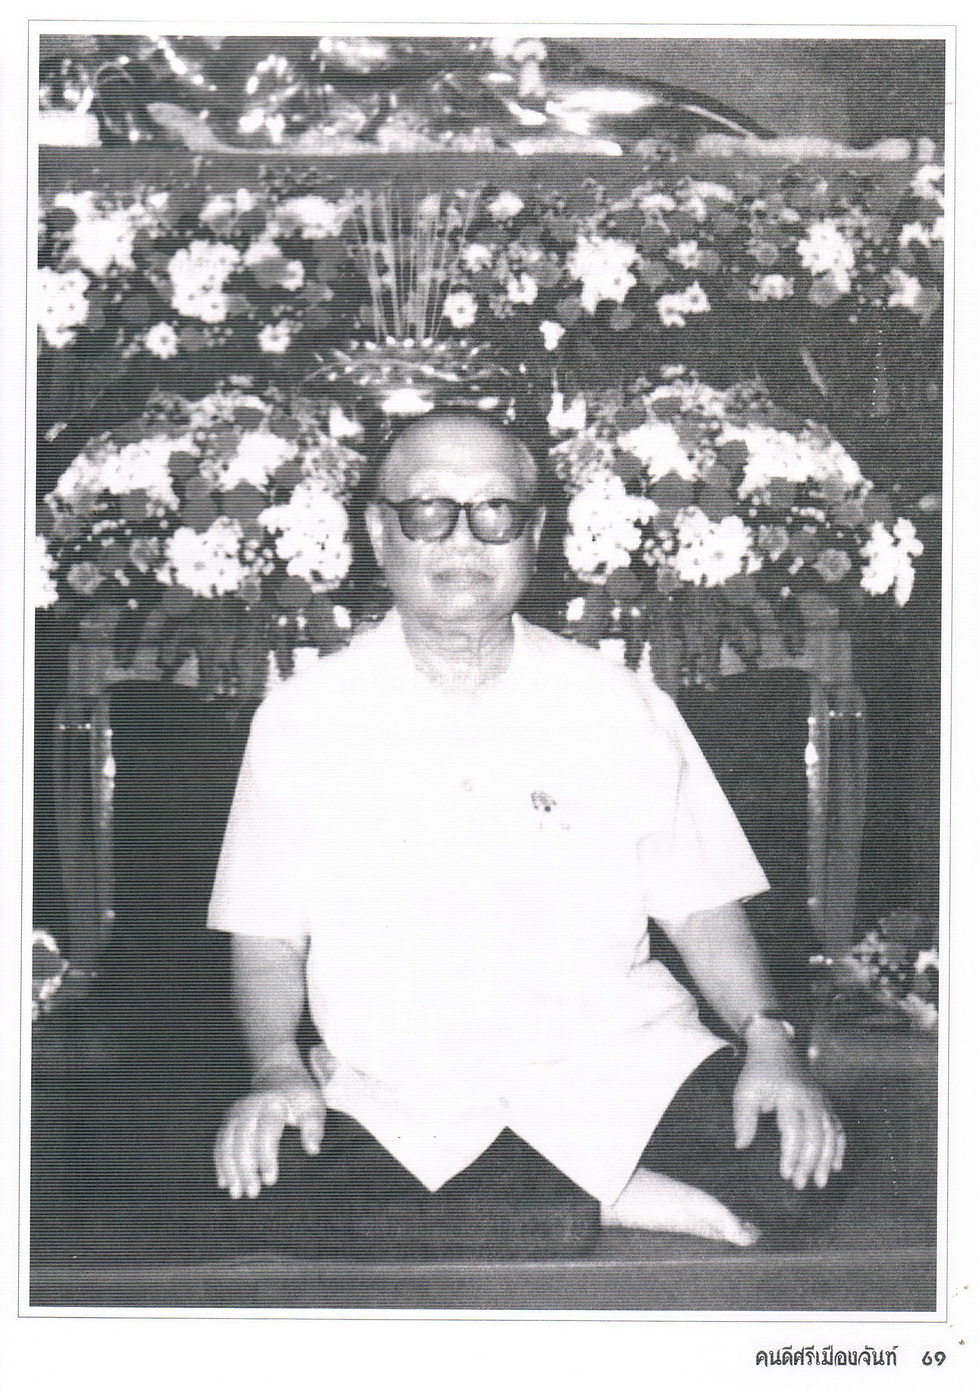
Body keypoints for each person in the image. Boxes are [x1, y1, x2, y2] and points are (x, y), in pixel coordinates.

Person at [208, 411, 846, 1251]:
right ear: (377, 530)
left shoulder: (616, 702)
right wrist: (276, 1068)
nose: (462, 539)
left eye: (494, 510)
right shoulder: (303, 719)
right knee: (261, 1176)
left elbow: (700, 908)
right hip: (400, 1088)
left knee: (795, 1160)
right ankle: (608, 1193)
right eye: (428, 510)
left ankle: (539, 1200)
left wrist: (768, 1041)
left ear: (534, 534)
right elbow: (265, 940)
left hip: (616, 1068)